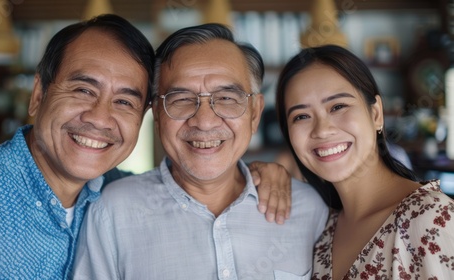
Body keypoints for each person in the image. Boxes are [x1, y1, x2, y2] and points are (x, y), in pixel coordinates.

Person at [0, 15, 291, 279]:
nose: (100, 118)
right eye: (84, 90)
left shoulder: (112, 189)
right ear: (39, 94)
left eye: (124, 102)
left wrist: (258, 173)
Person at [72, 23, 328, 280]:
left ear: (255, 113)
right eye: (182, 99)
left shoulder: (309, 209)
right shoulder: (113, 213)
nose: (204, 121)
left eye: (226, 98)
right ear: (157, 114)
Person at [275, 44, 454, 279]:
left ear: (376, 113)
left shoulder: (429, 218)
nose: (322, 130)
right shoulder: (322, 227)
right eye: (301, 116)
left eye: (338, 106)